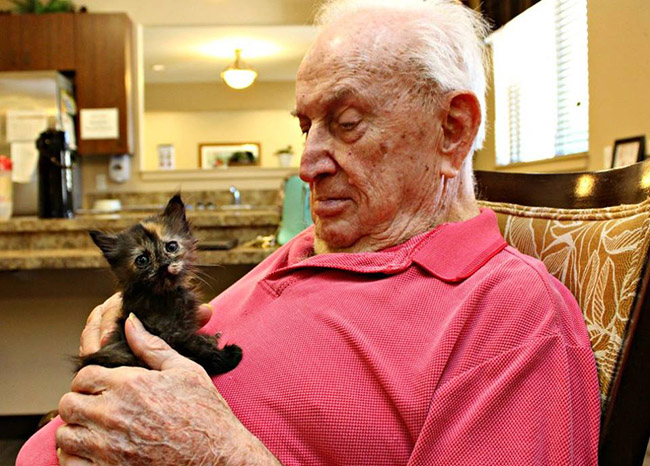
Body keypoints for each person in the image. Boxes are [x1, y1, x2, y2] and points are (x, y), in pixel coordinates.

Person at [17, 0, 601, 464]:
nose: (307, 163)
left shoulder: (511, 314)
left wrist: (217, 457)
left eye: (346, 124)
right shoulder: (312, 247)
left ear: (452, 128)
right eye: (306, 126)